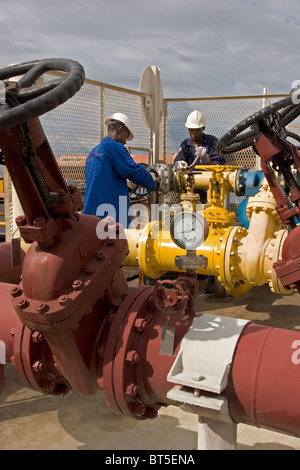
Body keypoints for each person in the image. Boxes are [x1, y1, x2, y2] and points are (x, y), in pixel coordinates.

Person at [173, 110, 226, 294]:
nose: (193, 133)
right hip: (191, 196)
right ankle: (198, 270)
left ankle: (213, 277)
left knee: (212, 233)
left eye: (196, 130)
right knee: (191, 232)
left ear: (203, 128)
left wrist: (207, 159)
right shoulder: (185, 145)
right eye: (190, 130)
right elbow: (178, 163)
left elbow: (222, 168)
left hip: (211, 197)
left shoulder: (213, 143)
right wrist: (177, 165)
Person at [82, 113, 157, 228]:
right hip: (110, 216)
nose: (125, 142)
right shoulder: (114, 147)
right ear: (120, 130)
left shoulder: (93, 152)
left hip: (89, 215)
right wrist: (152, 178)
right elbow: (134, 171)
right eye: (126, 137)